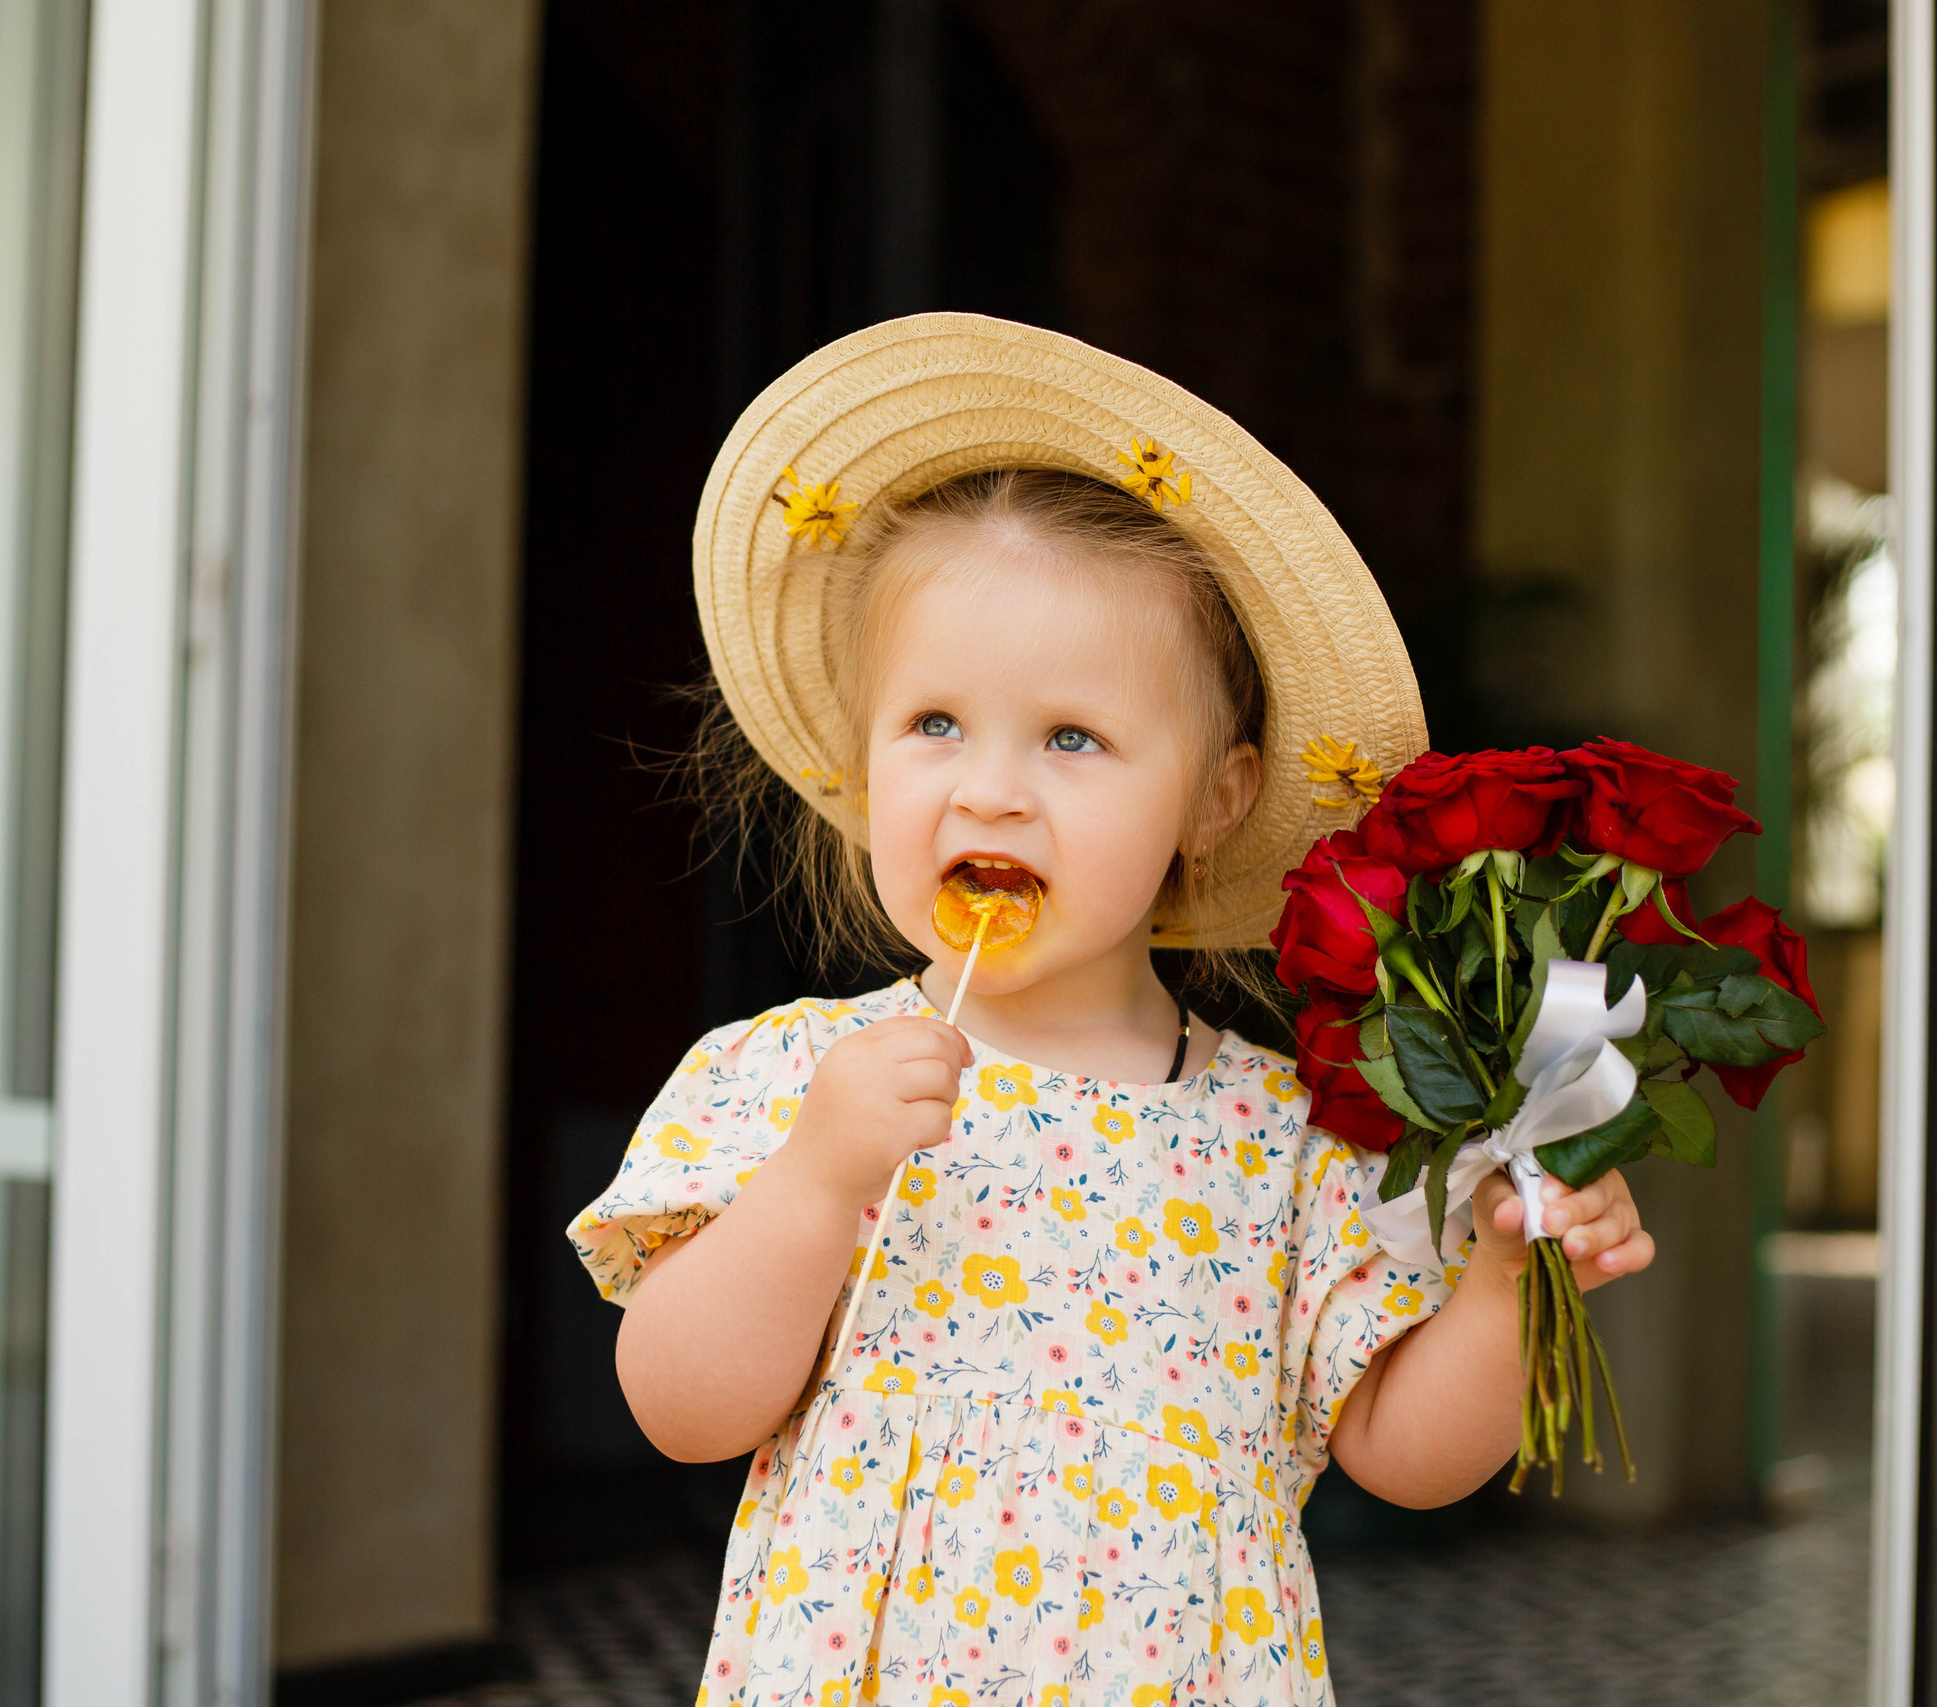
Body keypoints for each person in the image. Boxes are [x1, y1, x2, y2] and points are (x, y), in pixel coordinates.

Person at [568, 315, 1653, 1705]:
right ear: (861, 761)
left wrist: (1508, 1281)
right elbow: (681, 1410)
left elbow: (1404, 1454)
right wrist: (817, 1182)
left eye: (1072, 738)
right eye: (935, 724)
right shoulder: (787, 1079)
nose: (991, 789)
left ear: (1216, 799)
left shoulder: (1286, 1132)